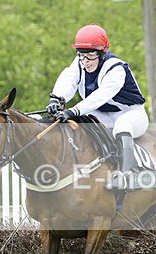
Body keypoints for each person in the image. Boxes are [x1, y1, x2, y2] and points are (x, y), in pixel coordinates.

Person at [47, 24, 149, 191]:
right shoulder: (80, 63)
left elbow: (100, 96)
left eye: (90, 55)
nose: (85, 61)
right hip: (103, 114)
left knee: (122, 126)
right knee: (79, 124)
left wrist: (72, 111)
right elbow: (69, 79)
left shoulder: (116, 68)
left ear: (102, 54)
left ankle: (128, 174)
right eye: (81, 55)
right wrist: (56, 99)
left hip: (131, 114)